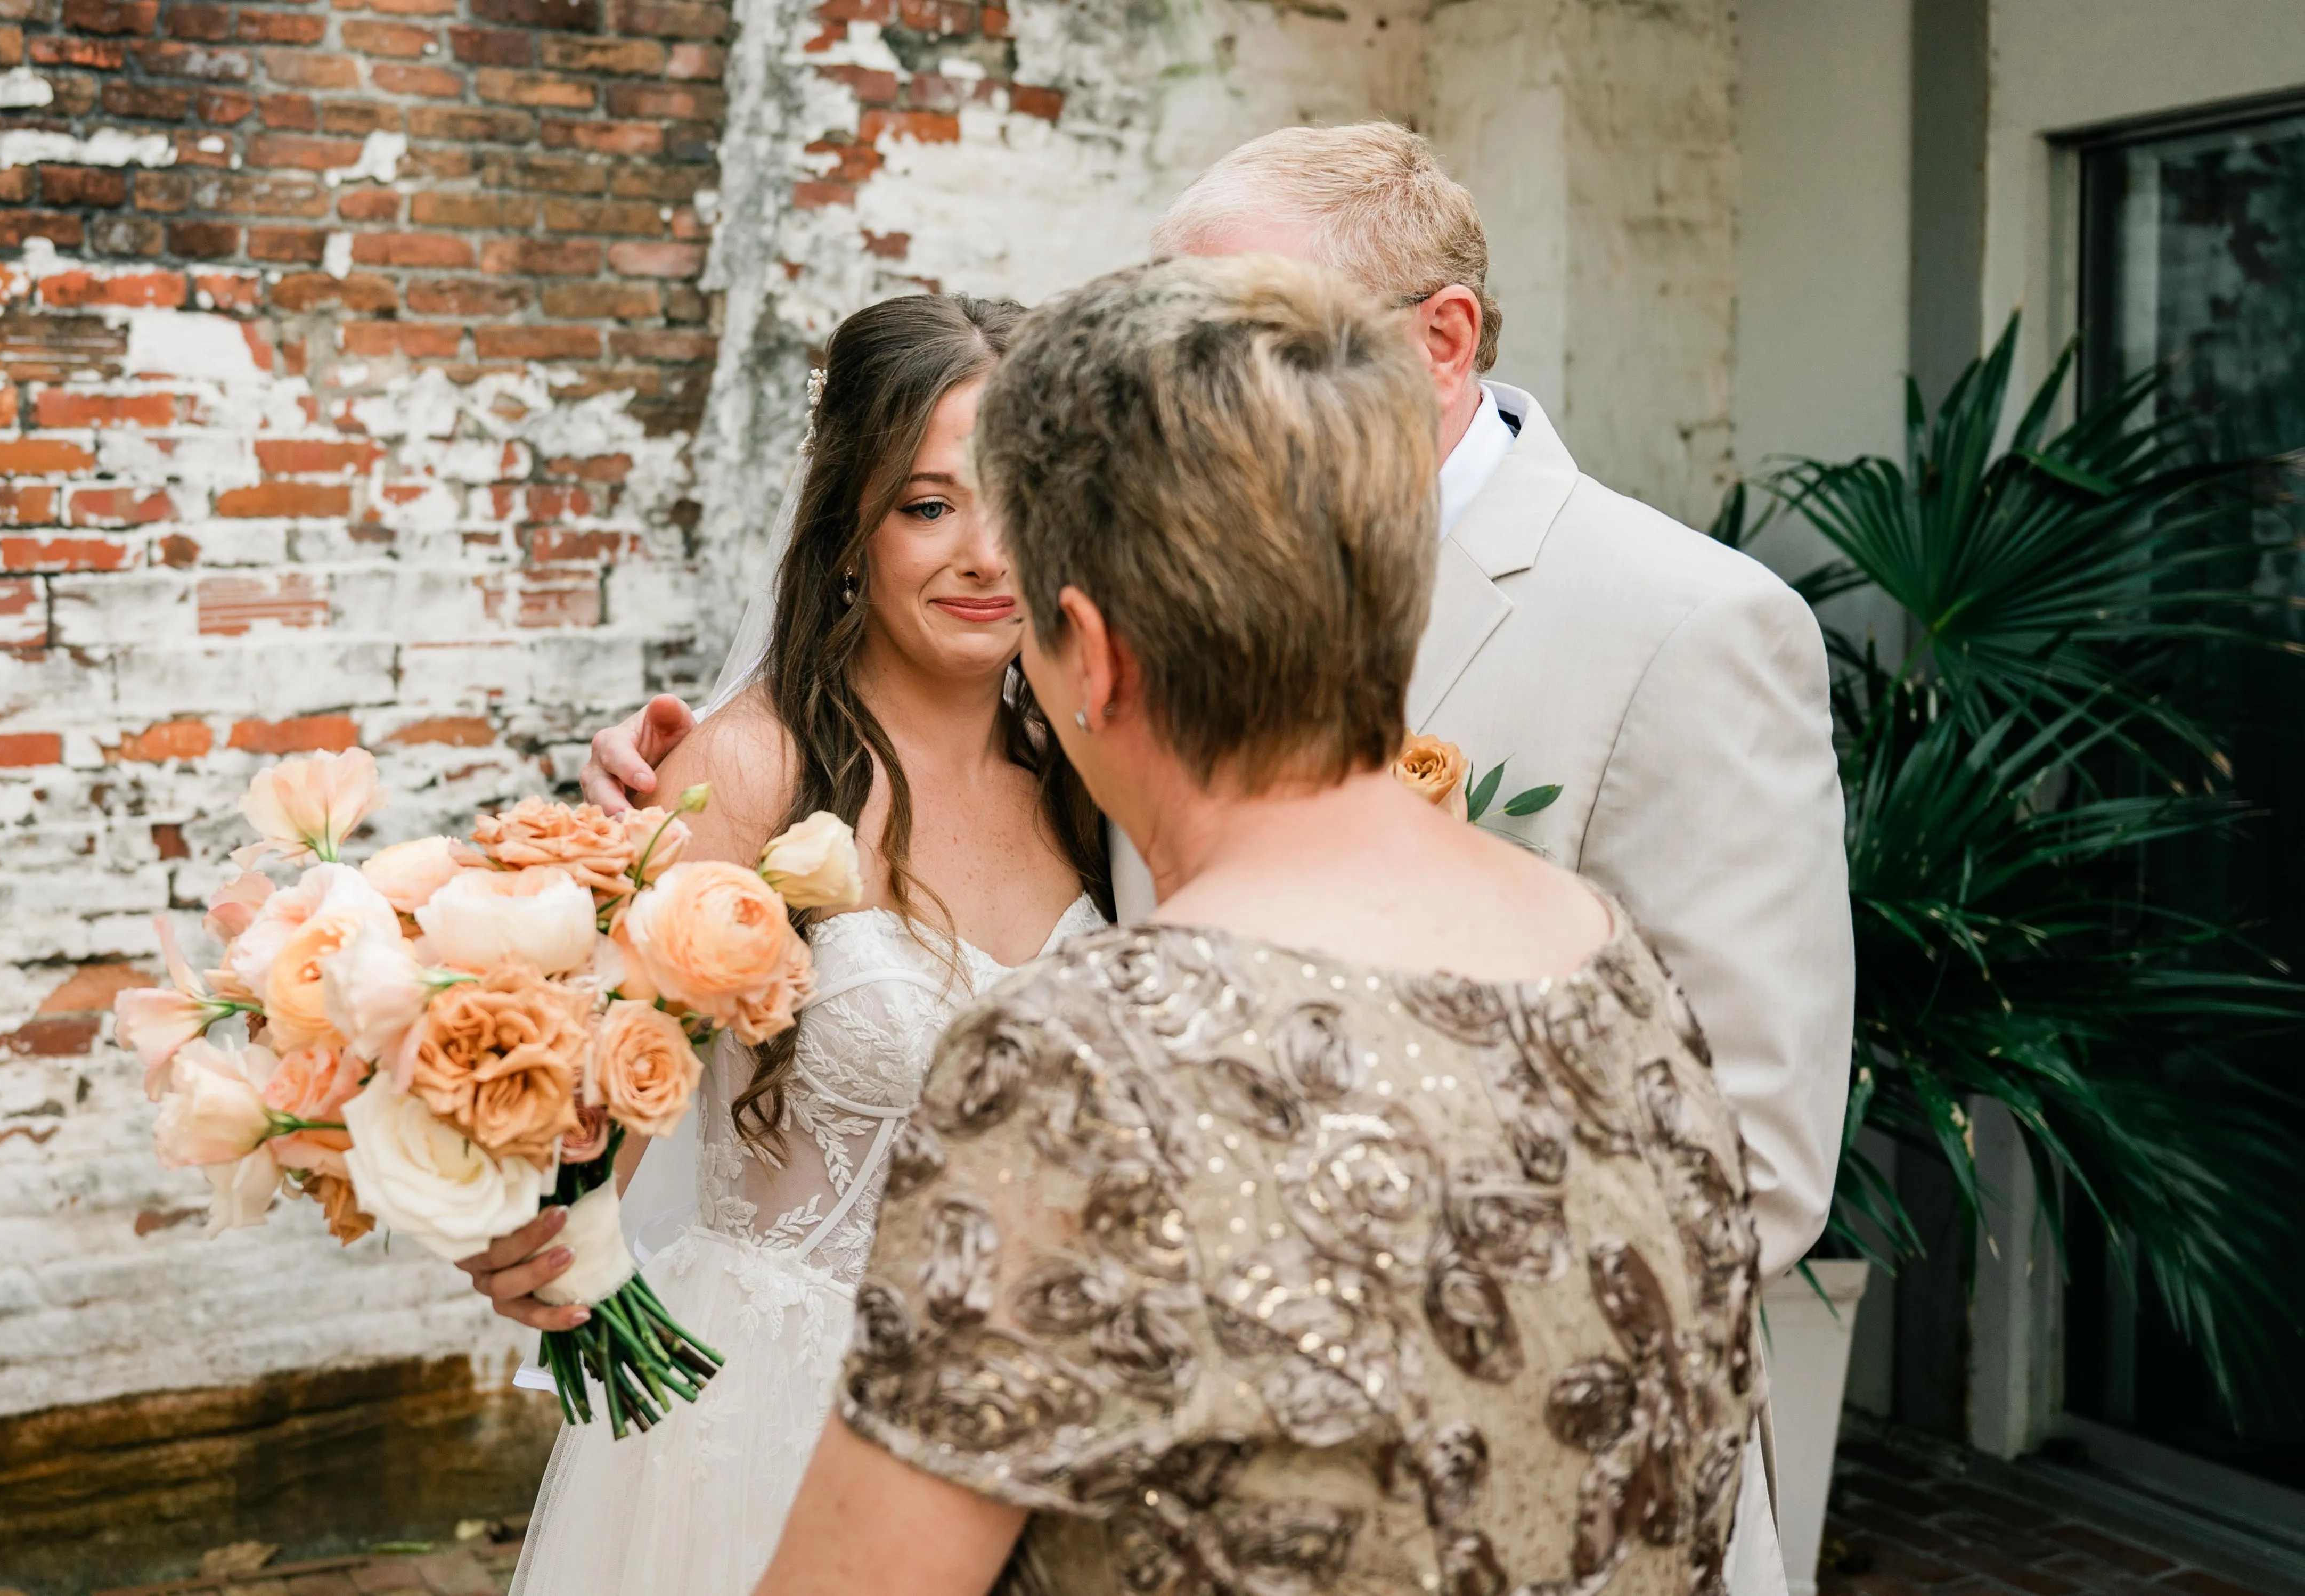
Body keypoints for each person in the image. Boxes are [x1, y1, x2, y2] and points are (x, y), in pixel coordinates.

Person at [583, 125, 1846, 1589]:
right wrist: (708, 780)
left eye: (1237, 343)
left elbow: (1744, 1171)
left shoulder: (1688, 627)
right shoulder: (1592, 952)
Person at [455, 291, 1113, 1596]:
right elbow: (597, 1129)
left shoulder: (1092, 776)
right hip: (779, 1424)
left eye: (1016, 498)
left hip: (1045, 1412)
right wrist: (539, 1233)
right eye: (929, 506)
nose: (986, 553)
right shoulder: (749, 772)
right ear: (849, 528)